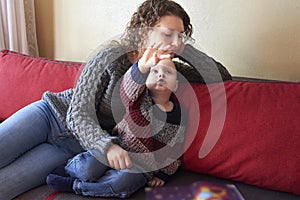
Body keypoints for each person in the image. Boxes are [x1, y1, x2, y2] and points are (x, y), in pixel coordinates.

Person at [0, 0, 232, 199]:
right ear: (145, 31)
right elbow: (77, 113)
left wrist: (180, 49)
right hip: (50, 116)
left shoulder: (167, 71)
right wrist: (106, 147)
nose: (173, 42)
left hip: (71, 148)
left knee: (5, 187)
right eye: (167, 34)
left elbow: (220, 74)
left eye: (179, 37)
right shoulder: (112, 55)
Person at [46, 56, 186, 198]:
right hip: (118, 146)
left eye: (168, 72)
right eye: (155, 71)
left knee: (121, 183)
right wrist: (142, 66)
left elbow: (176, 150)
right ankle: (69, 169)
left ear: (175, 85)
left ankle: (77, 186)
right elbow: (129, 85)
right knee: (87, 169)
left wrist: (163, 175)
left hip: (144, 167)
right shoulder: (138, 98)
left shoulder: (179, 116)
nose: (161, 75)